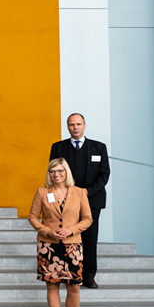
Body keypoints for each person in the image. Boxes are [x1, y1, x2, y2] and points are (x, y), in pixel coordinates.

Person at [29, 158, 93, 307]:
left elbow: (88, 218)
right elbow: (33, 217)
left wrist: (71, 230)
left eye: (60, 171)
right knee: (52, 286)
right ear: (49, 174)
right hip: (49, 245)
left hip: (72, 244)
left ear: (66, 173)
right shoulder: (42, 192)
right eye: (53, 171)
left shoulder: (79, 193)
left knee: (73, 286)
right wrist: (48, 231)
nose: (56, 175)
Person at [49, 113, 110, 288]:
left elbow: (104, 174)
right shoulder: (58, 148)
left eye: (78, 124)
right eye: (71, 125)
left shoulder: (99, 148)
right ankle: (67, 273)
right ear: (67, 127)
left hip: (92, 200)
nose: (75, 127)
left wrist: (87, 192)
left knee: (90, 238)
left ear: (84, 125)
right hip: (65, 200)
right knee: (66, 237)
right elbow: (54, 173)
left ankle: (88, 276)